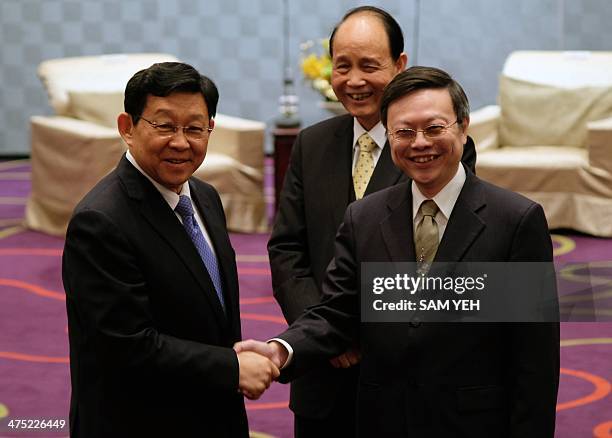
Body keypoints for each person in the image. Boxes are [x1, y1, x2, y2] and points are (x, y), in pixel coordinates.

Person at [240, 66, 560, 437]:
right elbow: (336, 312)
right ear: (389, 135)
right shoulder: (364, 217)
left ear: (463, 126)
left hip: (473, 422)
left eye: (434, 128)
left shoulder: (516, 221)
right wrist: (281, 351)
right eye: (404, 132)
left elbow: (534, 359)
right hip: (382, 418)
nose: (419, 142)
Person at [268, 6, 477, 437]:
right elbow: (287, 249)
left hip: (402, 371)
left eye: (369, 65)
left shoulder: (433, 147)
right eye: (342, 66)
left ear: (400, 65)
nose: (354, 80)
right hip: (321, 373)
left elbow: (444, 263)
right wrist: (329, 334)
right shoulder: (311, 144)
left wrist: (365, 334)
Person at [62, 62, 279, 438]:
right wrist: (231, 368)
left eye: (195, 128)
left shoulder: (205, 197)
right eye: (164, 126)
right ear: (127, 128)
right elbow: (124, 347)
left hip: (212, 414)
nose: (181, 142)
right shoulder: (100, 221)